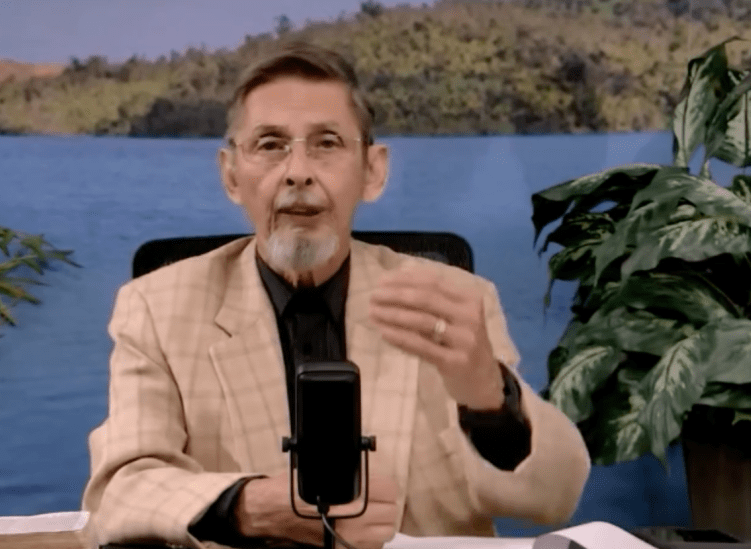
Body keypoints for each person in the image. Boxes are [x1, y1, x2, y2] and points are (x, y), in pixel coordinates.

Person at [82, 42, 590, 549]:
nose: (298, 171)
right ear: (231, 174)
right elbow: (118, 494)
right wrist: (252, 507)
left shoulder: (453, 299)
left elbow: (554, 498)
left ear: (373, 171)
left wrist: (492, 402)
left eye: (326, 143)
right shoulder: (156, 306)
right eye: (270, 145)